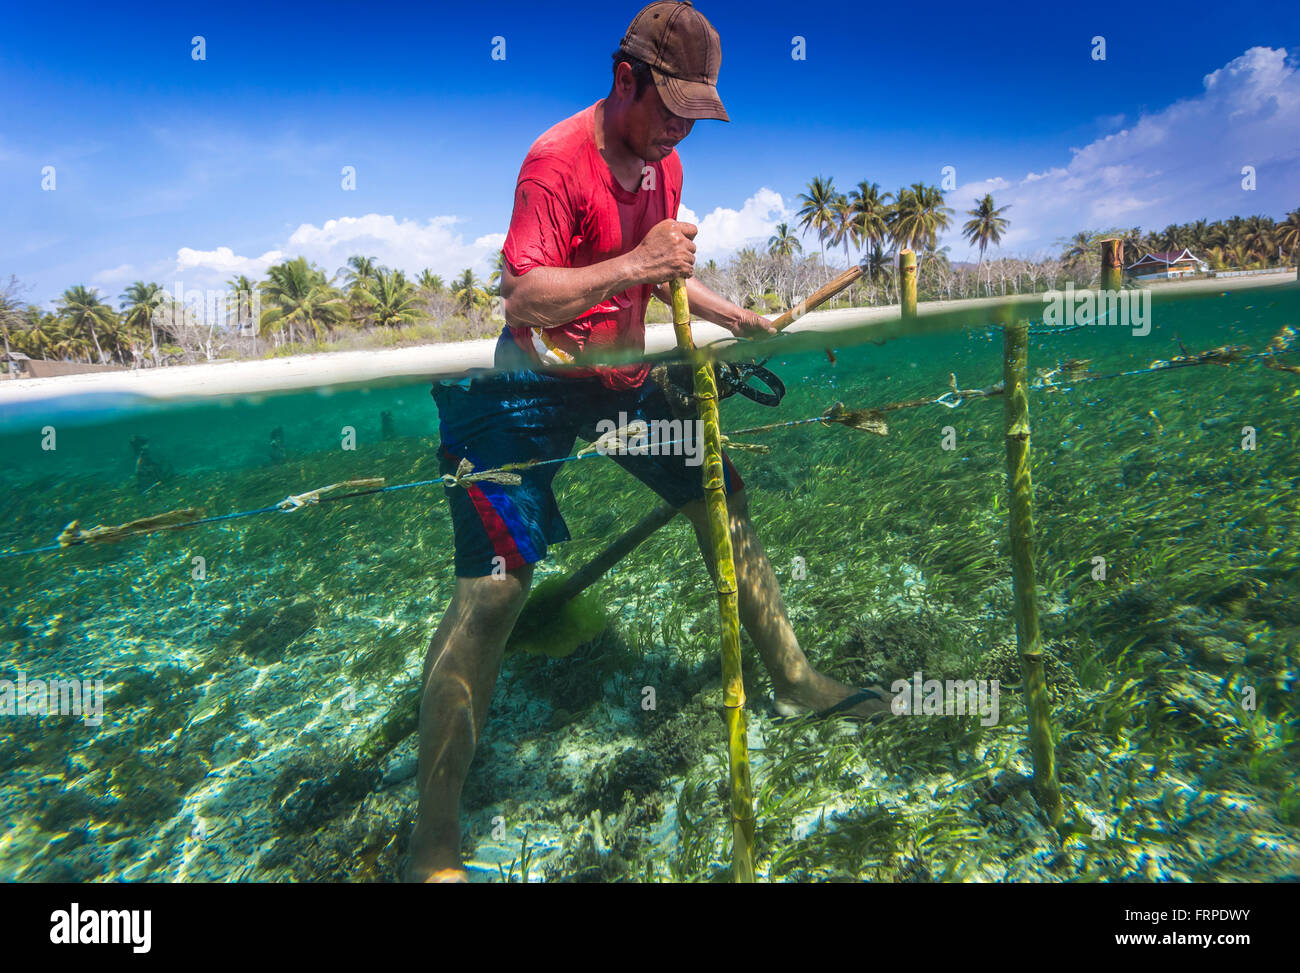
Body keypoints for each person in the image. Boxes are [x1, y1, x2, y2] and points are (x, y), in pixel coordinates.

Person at [408, 0, 889, 883]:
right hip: (519, 392)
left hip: (617, 383)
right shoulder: (555, 162)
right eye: (670, 110)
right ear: (625, 78)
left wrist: (731, 310)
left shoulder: (663, 166)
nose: (680, 132)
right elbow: (524, 300)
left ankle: (794, 678)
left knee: (722, 490)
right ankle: (430, 848)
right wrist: (638, 267)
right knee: (494, 592)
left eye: (694, 117)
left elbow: (669, 267)